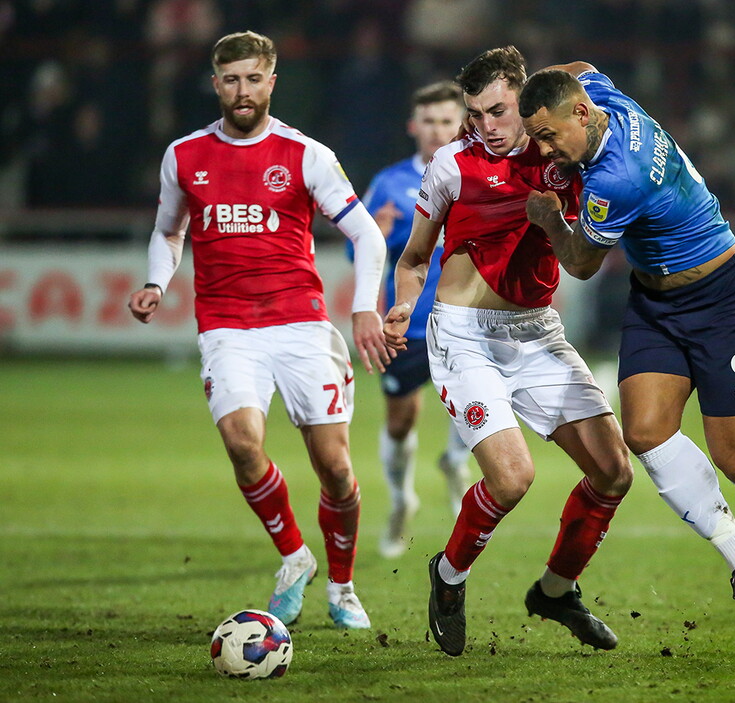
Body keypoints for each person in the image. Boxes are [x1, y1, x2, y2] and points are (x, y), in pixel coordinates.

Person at [519, 63, 735, 635]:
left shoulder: (616, 179)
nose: (543, 149)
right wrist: (528, 85)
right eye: (536, 136)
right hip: (656, 303)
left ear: (580, 115)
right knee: (644, 433)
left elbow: (582, 264)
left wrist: (549, 220)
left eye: (548, 136)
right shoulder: (601, 98)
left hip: (724, 300)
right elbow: (582, 68)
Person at [127, 31, 390, 630]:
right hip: (227, 326)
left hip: (301, 325)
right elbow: (168, 231)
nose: (242, 91)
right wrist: (156, 282)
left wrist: (364, 308)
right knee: (243, 445)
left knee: (336, 470)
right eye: (231, 80)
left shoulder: (306, 154)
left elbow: (367, 234)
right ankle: (295, 558)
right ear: (215, 84)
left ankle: (343, 586)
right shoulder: (184, 155)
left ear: (271, 82)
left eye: (252, 79)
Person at [382, 47, 634, 657]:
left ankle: (556, 591)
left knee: (614, 472)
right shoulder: (452, 165)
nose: (486, 126)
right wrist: (401, 305)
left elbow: (585, 81)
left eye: (497, 111)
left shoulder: (562, 155)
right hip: (464, 337)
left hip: (537, 332)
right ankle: (449, 575)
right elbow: (414, 257)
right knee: (513, 478)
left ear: (525, 99)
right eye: (475, 114)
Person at [357, 81, 472, 558]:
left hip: (465, 319)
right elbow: (358, 251)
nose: (437, 130)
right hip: (408, 323)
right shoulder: (388, 183)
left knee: (476, 405)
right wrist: (376, 235)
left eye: (446, 121)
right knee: (401, 422)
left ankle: (455, 460)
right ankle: (401, 498)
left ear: (461, 124)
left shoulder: (477, 173)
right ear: (413, 126)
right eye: (429, 121)